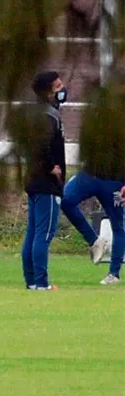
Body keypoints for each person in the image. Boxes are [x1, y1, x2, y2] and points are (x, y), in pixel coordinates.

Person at [60, 81, 125, 285]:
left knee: (118, 225)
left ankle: (113, 273)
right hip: (89, 174)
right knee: (66, 200)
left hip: (114, 181)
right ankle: (94, 240)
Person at [22, 71, 67, 291]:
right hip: (46, 183)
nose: (62, 89)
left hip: (33, 180)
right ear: (48, 91)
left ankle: (31, 281)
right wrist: (52, 168)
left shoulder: (34, 112)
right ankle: (41, 282)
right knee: (44, 233)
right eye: (58, 86)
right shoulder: (48, 116)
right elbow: (42, 144)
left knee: (33, 232)